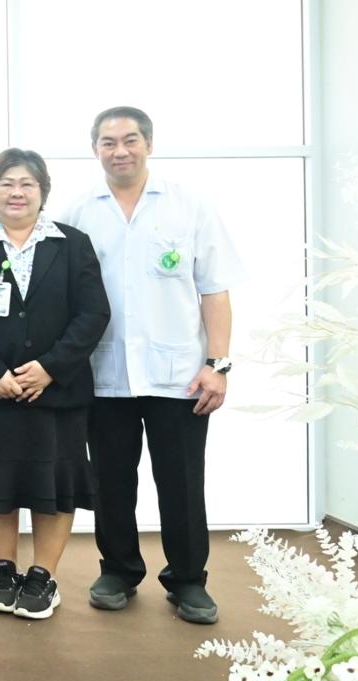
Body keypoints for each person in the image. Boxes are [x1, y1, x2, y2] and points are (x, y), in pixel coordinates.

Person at [61, 106, 244, 625]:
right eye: (108, 142)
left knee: (182, 481)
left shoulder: (189, 206)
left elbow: (214, 290)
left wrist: (218, 364)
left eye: (130, 140)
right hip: (104, 375)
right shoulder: (78, 212)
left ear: (149, 143)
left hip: (179, 375)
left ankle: (187, 580)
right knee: (110, 481)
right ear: (94, 149)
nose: (120, 151)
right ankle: (118, 570)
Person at [0, 148, 110, 621]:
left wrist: (51, 367)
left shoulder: (72, 244)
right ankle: (4, 572)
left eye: (27, 184)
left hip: (57, 392)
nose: (16, 193)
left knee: (55, 483)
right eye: (6, 184)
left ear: (43, 191)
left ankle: (42, 577)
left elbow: (93, 312)